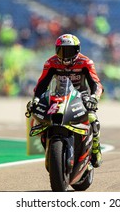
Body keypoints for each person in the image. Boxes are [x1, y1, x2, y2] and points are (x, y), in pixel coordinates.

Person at [26, 34, 104, 168]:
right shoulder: (51, 63)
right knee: (40, 117)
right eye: (61, 50)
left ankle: (96, 150)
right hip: (59, 95)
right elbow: (41, 84)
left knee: (92, 118)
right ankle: (50, 149)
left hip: (81, 96)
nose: (65, 54)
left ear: (77, 50)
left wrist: (94, 98)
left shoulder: (86, 62)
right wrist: (36, 99)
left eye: (69, 50)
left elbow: (96, 84)